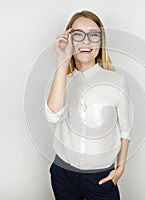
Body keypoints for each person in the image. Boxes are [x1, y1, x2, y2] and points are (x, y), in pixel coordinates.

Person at [45, 10, 132, 200]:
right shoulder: (62, 79)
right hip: (63, 174)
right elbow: (53, 115)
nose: (86, 41)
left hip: (101, 177)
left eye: (93, 35)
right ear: (69, 40)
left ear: (100, 42)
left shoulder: (117, 80)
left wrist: (121, 168)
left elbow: (125, 130)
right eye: (78, 35)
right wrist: (62, 59)